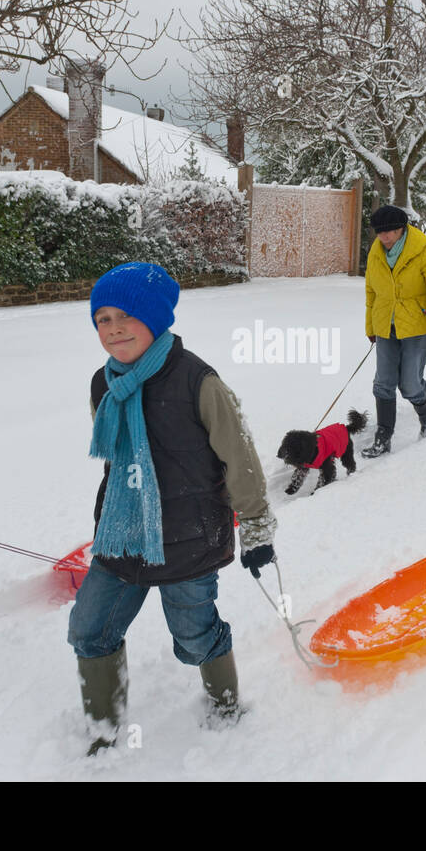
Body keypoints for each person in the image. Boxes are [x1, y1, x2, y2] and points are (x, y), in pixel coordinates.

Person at [69, 262, 277, 754]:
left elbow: (239, 455)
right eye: (103, 319)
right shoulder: (104, 384)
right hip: (122, 537)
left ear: (158, 319)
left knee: (194, 636)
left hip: (189, 541)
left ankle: (225, 703)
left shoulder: (198, 382)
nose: (114, 328)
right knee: (90, 629)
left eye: (127, 316)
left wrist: (256, 527)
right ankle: (104, 725)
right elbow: (117, 463)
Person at [362, 205, 426, 457]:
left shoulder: (423, 250)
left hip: (418, 327)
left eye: (390, 231)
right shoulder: (376, 252)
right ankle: (383, 437)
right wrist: (371, 325)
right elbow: (371, 291)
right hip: (385, 327)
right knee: (383, 383)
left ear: (402, 228)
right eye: (380, 232)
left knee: (410, 384)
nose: (385, 237)